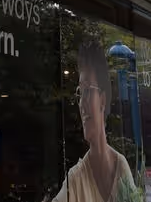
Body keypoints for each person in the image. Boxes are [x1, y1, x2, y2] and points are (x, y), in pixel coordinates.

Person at [52, 39, 138, 202]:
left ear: (103, 100)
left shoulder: (121, 165)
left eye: (88, 91)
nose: (82, 103)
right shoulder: (76, 179)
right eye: (80, 92)